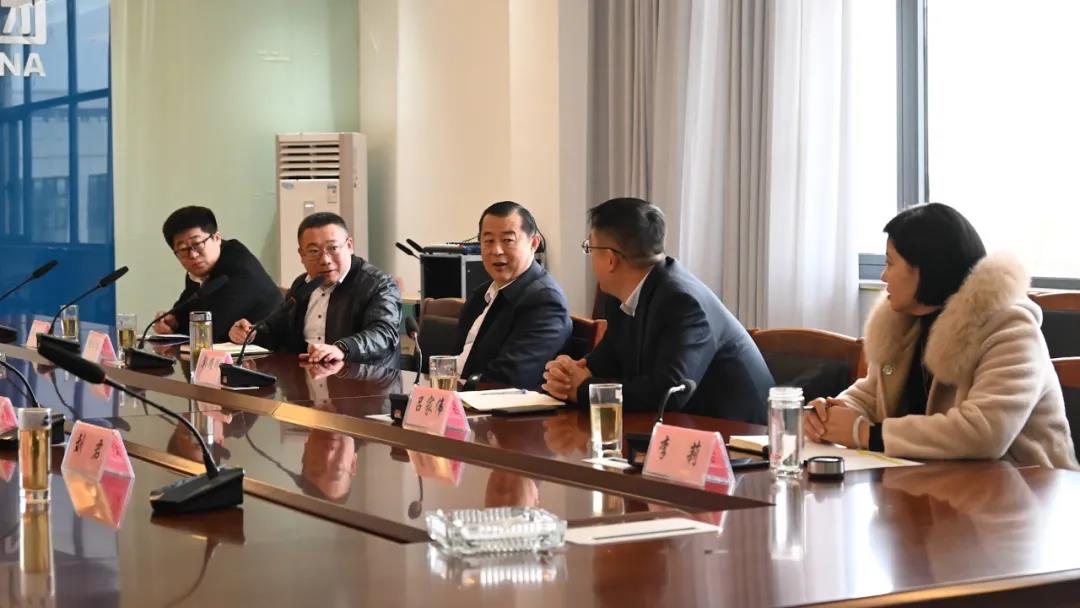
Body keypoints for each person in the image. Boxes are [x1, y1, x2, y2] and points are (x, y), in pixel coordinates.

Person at [803, 203, 1078, 469]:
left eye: (890, 263)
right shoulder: (906, 322)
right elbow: (874, 393)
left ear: (926, 268)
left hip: (1027, 489)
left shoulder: (1010, 328)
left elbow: (985, 432)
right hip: (940, 484)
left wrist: (866, 434)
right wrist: (831, 412)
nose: (884, 276)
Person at [542, 197, 773, 423]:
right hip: (683, 427)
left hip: (740, 433)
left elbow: (670, 392)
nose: (590, 257)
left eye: (589, 248)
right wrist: (570, 373)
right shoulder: (621, 296)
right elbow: (607, 359)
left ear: (611, 260)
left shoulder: (681, 302)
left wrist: (584, 389)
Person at [228, 212, 400, 367]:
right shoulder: (303, 285)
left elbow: (384, 334)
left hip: (363, 383)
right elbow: (278, 330)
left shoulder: (379, 284)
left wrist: (342, 349)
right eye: (313, 251)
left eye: (333, 248)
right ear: (301, 255)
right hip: (306, 378)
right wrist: (251, 333)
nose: (325, 259)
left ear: (349, 246)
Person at [454, 201, 571, 389]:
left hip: (494, 403)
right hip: (460, 396)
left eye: (508, 240)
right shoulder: (482, 294)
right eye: (488, 241)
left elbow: (511, 378)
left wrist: (458, 390)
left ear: (533, 244)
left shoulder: (545, 301)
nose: (496, 251)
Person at [155, 206, 283, 342]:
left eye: (197, 244)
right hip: (227, 351)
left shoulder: (240, 268)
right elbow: (188, 306)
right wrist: (172, 321)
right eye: (183, 249)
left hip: (269, 351)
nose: (193, 255)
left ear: (217, 238)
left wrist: (176, 329)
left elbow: (210, 330)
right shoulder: (201, 269)